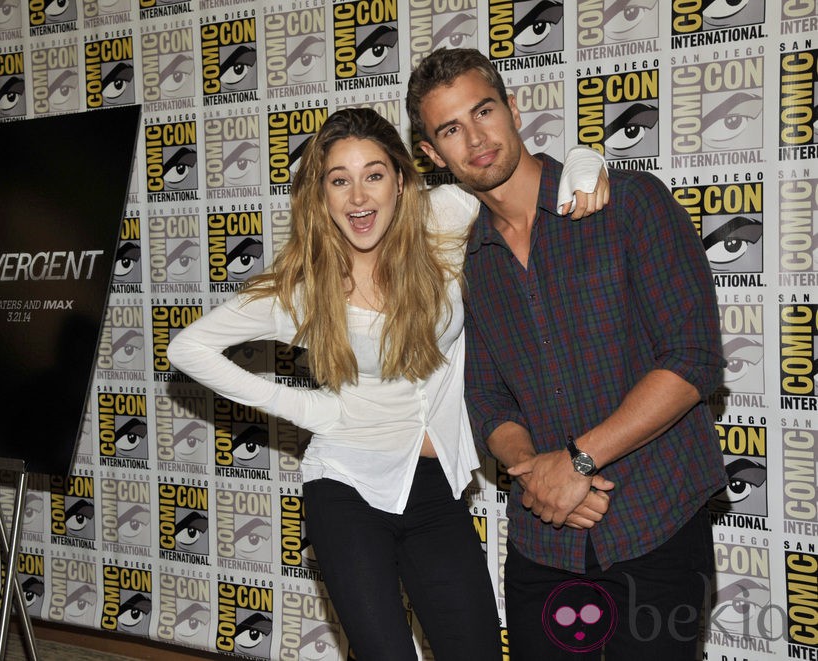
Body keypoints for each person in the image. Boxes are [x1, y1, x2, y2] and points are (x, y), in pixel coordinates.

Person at [167, 107, 606, 660]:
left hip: (437, 487)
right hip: (347, 483)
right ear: (320, 195)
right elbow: (188, 347)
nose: (358, 197)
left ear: (400, 181)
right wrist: (312, 412)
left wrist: (586, 165)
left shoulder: (443, 221)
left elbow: (516, 182)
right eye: (339, 180)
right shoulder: (302, 290)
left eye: (373, 174)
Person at [406, 48, 726, 660]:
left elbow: (693, 359)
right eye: (450, 129)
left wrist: (576, 464)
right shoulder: (463, 262)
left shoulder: (629, 203)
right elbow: (487, 398)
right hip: (546, 540)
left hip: (656, 520)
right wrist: (538, 475)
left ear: (513, 109)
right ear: (431, 154)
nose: (475, 138)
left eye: (484, 111)